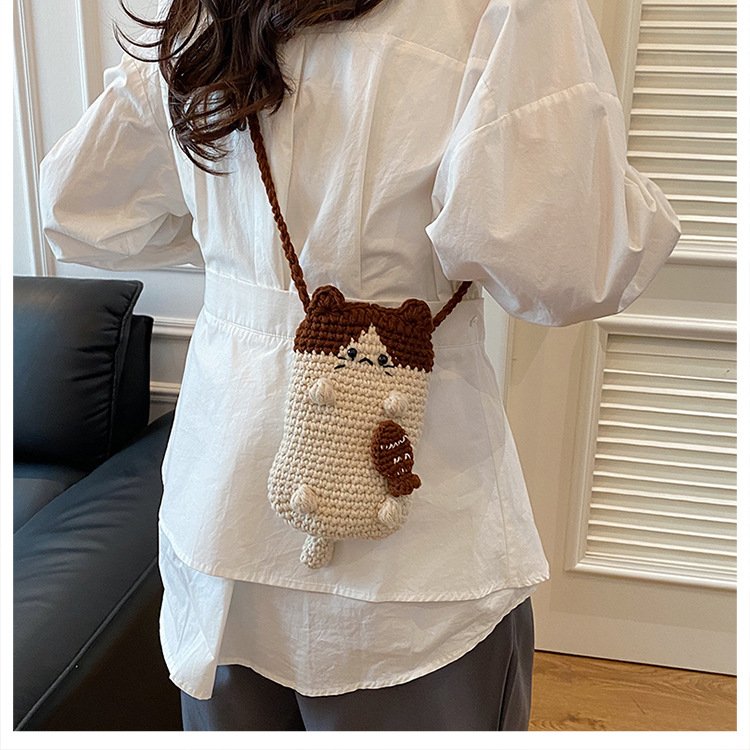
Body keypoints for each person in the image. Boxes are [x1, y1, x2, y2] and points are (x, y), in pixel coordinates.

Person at [38, 0, 681, 732]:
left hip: (222, 516)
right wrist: (643, 207)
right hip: (415, 573)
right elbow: (568, 262)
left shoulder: (205, 14)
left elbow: (75, 206)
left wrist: (241, 258)